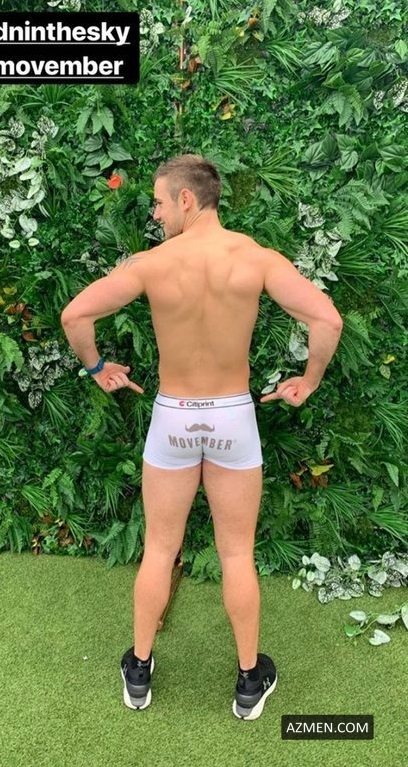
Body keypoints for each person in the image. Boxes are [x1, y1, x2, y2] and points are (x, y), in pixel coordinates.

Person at [60, 154, 343, 719]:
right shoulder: (255, 258)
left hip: (174, 416)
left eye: (159, 203)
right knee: (236, 553)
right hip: (232, 416)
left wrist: (98, 369)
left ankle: (139, 670)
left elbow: (74, 316)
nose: (156, 214)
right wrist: (308, 381)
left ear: (186, 199)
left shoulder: (151, 263)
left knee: (159, 548)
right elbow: (327, 320)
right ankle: (248, 681)